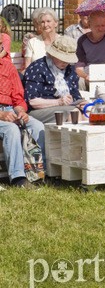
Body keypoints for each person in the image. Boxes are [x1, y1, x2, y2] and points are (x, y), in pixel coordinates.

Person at [0, 52, 46, 188]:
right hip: (2, 115)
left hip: (10, 110)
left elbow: (18, 97)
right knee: (11, 129)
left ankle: (37, 173)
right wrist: (1, 115)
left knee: (37, 126)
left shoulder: (7, 66)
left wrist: (21, 111)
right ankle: (18, 178)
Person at [23, 35, 87, 123]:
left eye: (67, 59)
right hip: (37, 111)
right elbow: (32, 102)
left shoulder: (70, 70)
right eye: (61, 58)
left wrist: (81, 103)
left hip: (65, 108)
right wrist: (58, 102)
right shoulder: (37, 67)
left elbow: (76, 96)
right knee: (74, 113)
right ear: (52, 55)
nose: (65, 62)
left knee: (86, 113)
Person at [75, 12, 105, 86]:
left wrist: (98, 77)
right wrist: (86, 76)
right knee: (79, 81)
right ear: (89, 25)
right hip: (88, 74)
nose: (100, 29)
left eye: (103, 25)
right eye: (97, 26)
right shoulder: (82, 40)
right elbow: (79, 67)